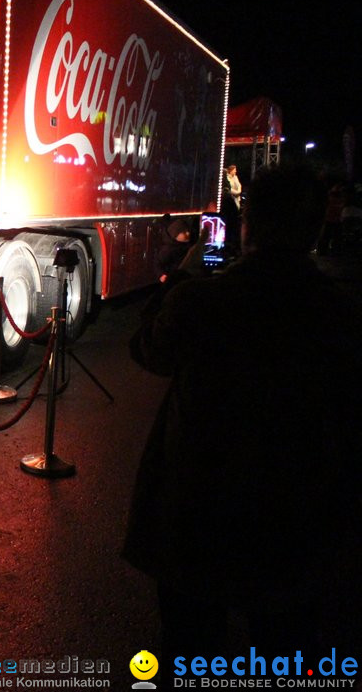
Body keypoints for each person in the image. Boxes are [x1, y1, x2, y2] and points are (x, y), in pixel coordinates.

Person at [125, 164, 362, 658]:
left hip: (198, 508)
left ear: (248, 225)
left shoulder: (203, 298)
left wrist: (173, 277)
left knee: (190, 645)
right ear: (314, 228)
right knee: (285, 644)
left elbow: (149, 351)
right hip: (293, 516)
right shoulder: (339, 313)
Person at [154, 218, 195, 283]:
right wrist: (162, 275)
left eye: (188, 230)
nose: (188, 233)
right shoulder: (168, 250)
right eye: (183, 232)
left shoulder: (188, 246)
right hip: (173, 281)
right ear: (175, 235)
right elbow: (158, 264)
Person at [220, 164, 243, 254]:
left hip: (236, 198)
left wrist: (239, 192)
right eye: (235, 170)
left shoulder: (235, 177)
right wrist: (235, 192)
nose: (236, 171)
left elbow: (239, 186)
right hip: (231, 197)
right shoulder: (227, 178)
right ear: (231, 170)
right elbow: (229, 189)